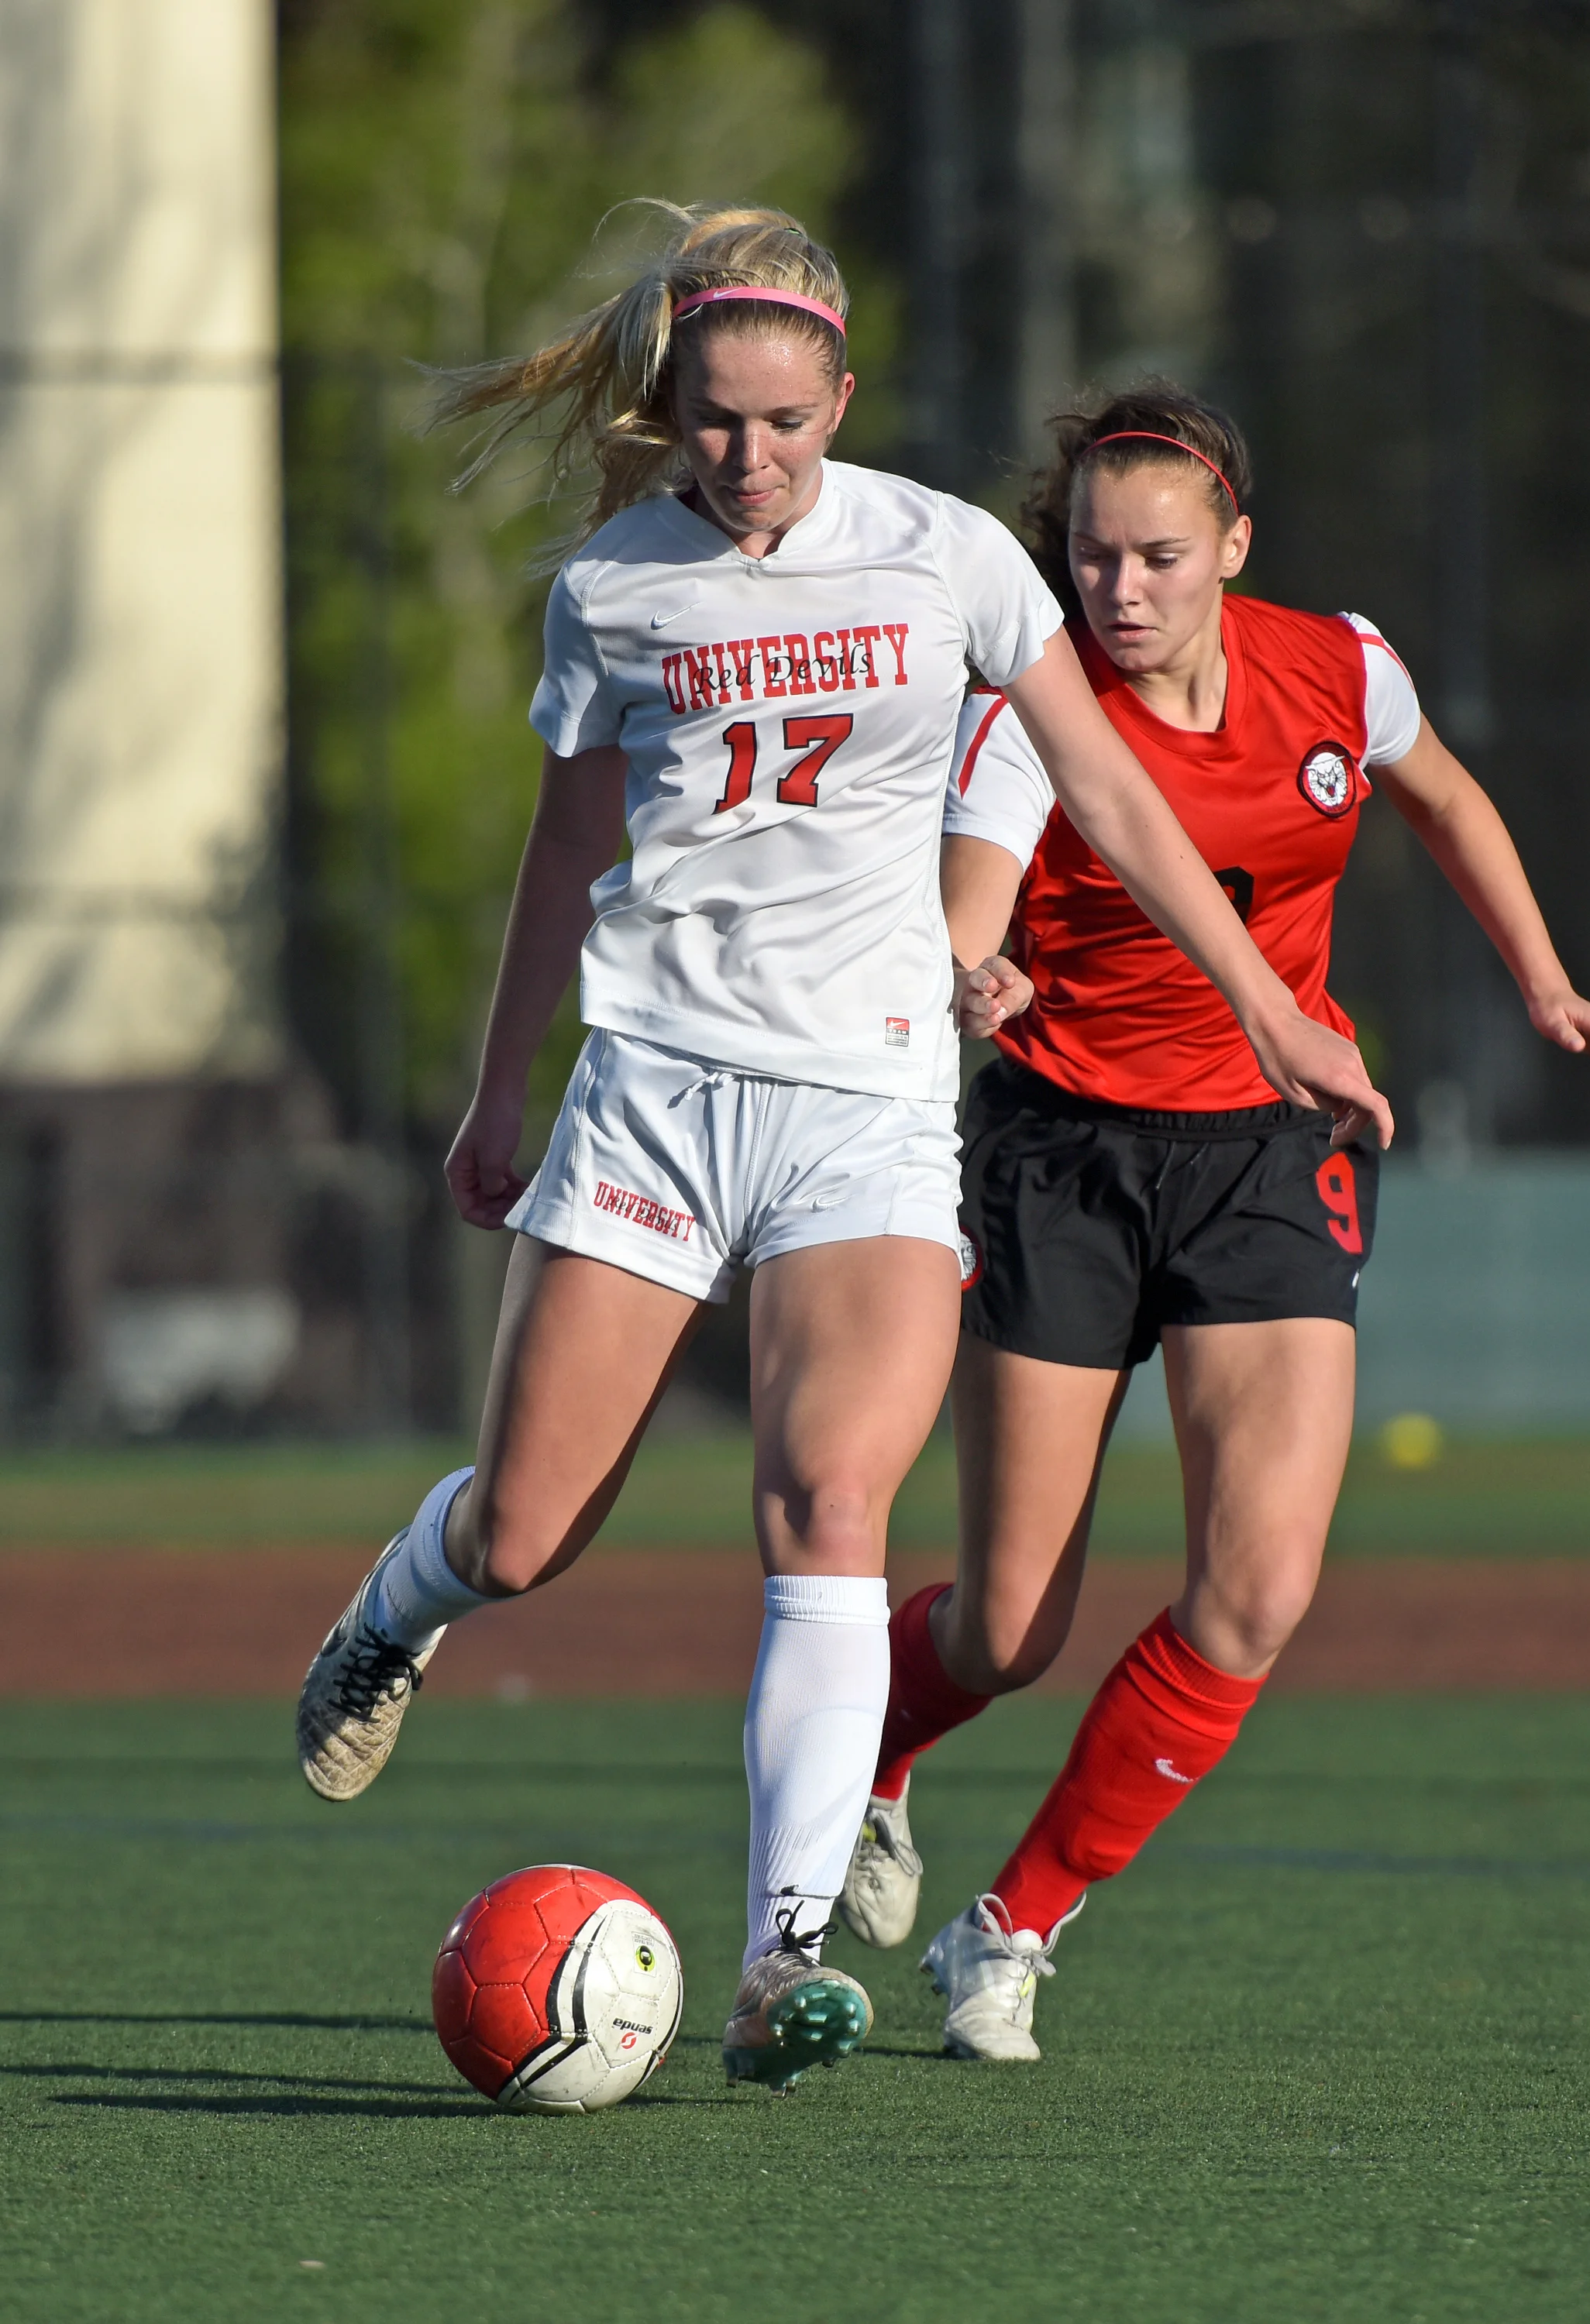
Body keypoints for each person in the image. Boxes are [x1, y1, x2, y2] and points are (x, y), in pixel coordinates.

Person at [292, 214, 1390, 2095]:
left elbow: (1110, 792)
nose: (754, 462)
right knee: (532, 1528)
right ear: (672, 412)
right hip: (650, 1088)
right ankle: (398, 1607)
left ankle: (778, 1954)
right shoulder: (610, 590)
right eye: (717, 425)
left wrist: (1270, 1008)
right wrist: (498, 1094)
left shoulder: (952, 556)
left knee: (829, 1507)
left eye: (789, 421)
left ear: (844, 400)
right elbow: (565, 860)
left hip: (865, 1108)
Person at [836, 378, 1590, 2061]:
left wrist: (1546, 984)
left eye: (1153, 558)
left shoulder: (1336, 666)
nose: (1116, 592)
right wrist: (970, 977)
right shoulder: (1034, 716)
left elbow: (1441, 797)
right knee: (1006, 1629)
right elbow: (966, 909)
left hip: (1268, 1149)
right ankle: (872, 1754)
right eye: (1087, 558)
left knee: (1259, 1590)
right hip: (1060, 1154)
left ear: (1233, 551)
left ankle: (1013, 1928)